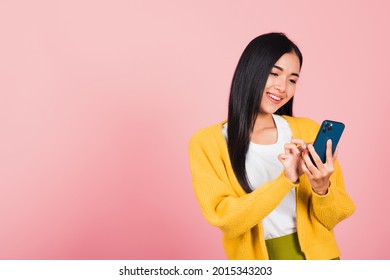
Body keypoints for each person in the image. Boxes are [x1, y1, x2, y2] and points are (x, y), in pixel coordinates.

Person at [188, 32, 355, 260]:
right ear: (250, 71)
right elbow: (225, 220)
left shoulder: (307, 130)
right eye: (274, 73)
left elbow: (333, 217)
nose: (282, 87)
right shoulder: (207, 143)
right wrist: (287, 179)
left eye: (292, 79)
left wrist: (321, 187)